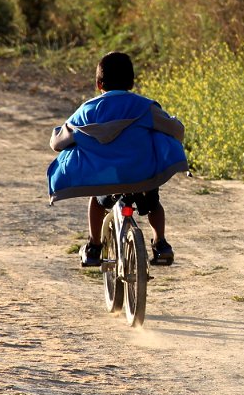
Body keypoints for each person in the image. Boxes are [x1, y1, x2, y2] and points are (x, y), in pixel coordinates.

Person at [46, 52, 188, 267]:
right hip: (141, 175)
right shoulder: (145, 107)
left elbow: (57, 144)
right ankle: (161, 244)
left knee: (96, 202)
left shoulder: (86, 111)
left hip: (105, 178)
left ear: (98, 83)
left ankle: (94, 247)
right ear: (132, 82)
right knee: (153, 203)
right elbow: (176, 131)